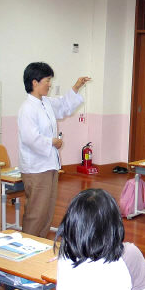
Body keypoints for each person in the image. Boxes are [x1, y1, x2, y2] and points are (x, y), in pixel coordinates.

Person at [18, 62, 91, 238]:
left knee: (47, 209)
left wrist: (76, 86)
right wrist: (52, 142)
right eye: (47, 80)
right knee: (36, 211)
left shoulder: (45, 103)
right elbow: (30, 138)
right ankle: (28, 243)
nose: (50, 84)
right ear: (34, 83)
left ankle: (40, 243)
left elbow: (64, 105)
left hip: (48, 164)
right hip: (36, 167)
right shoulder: (27, 109)